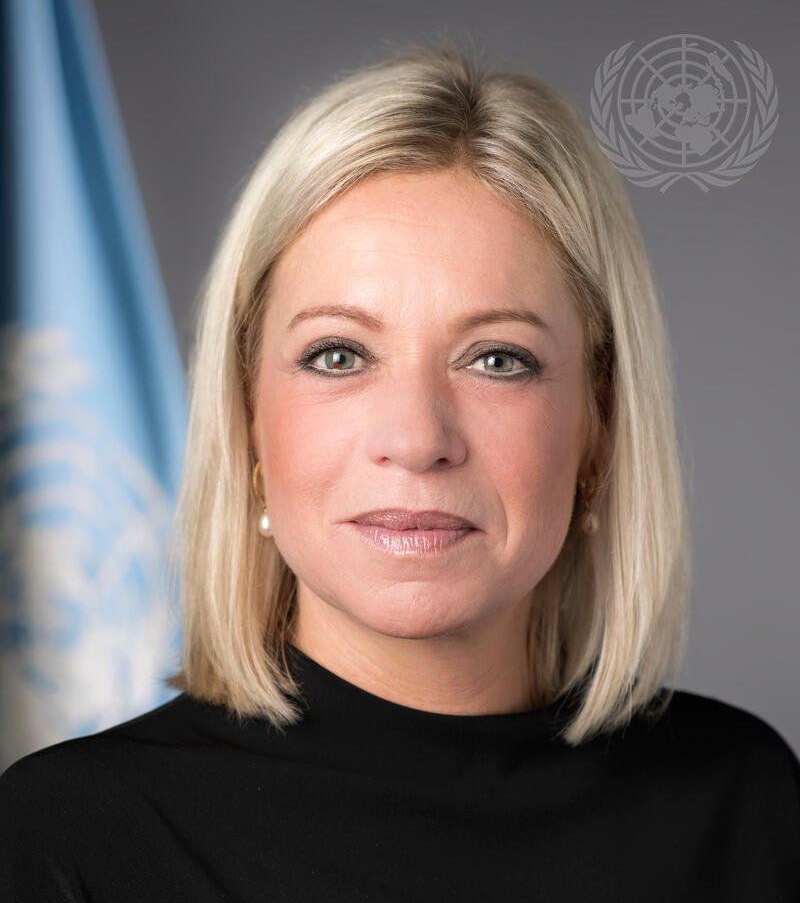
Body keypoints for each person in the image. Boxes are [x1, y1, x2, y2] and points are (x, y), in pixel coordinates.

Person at [1, 40, 798, 902]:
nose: (418, 438)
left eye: (497, 359)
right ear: (246, 420)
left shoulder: (743, 803)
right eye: (338, 354)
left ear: (598, 425)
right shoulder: (68, 838)